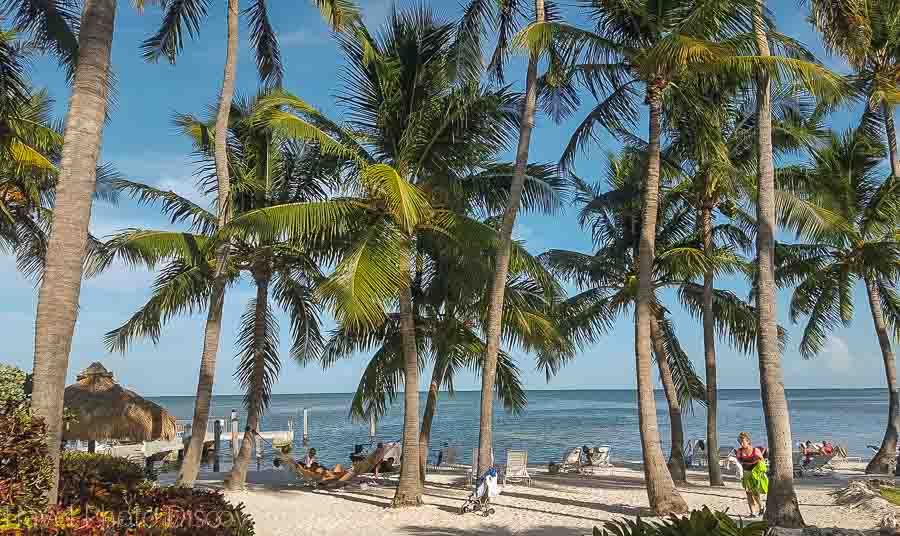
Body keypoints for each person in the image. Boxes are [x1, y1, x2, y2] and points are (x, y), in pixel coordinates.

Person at [735, 432, 768, 517]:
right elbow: (738, 461)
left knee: (755, 493)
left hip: (755, 475)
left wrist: (760, 471)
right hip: (746, 474)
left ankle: (761, 506)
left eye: (743, 442)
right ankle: (753, 512)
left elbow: (762, 461)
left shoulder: (755, 450)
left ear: (748, 441)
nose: (741, 444)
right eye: (740, 442)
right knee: (748, 493)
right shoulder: (739, 451)